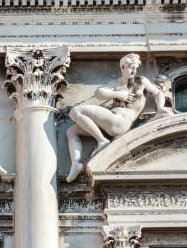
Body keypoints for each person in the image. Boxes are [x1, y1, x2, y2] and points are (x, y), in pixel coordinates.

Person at [65, 52, 172, 182]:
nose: (134, 70)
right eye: (131, 67)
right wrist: (119, 95)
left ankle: (102, 141)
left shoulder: (141, 81)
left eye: (135, 68)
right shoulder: (115, 83)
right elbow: (98, 93)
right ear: (123, 67)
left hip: (120, 122)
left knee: (76, 111)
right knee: (71, 131)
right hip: (109, 121)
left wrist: (160, 107)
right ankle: (77, 163)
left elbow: (158, 93)